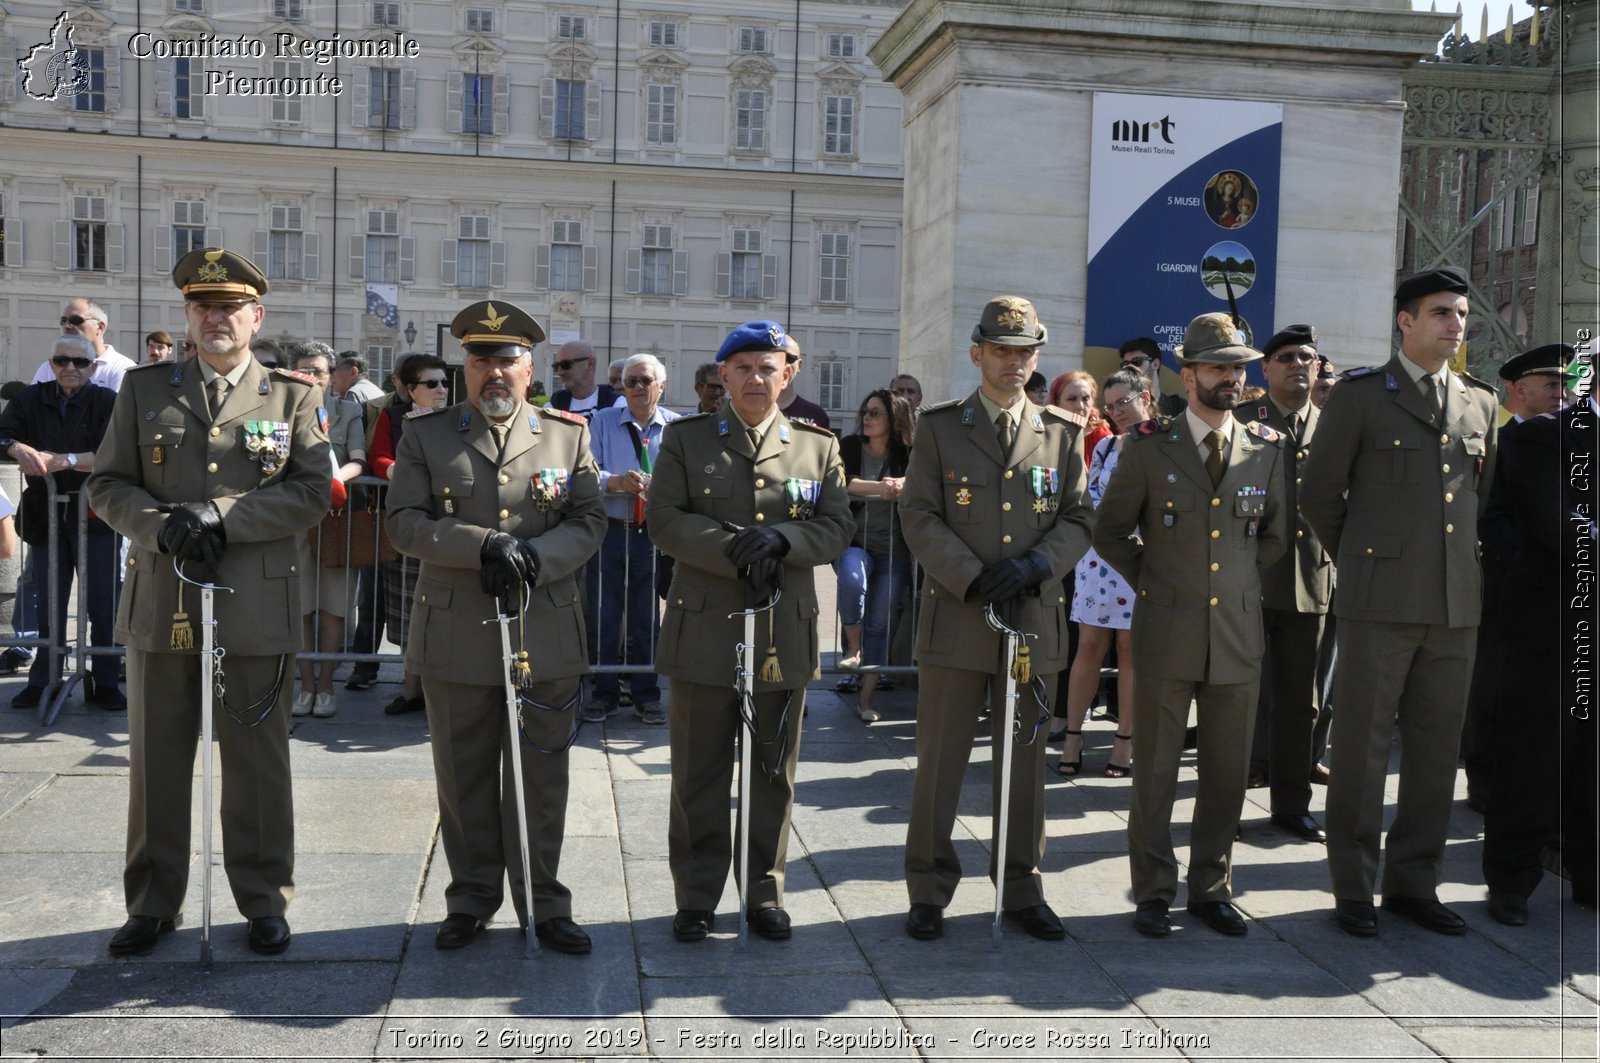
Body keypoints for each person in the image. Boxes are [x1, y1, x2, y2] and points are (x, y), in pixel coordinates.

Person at [86, 246, 330, 957]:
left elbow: (312, 491)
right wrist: (166, 527)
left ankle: (262, 898)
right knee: (156, 760)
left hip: (256, 603)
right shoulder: (144, 390)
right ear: (187, 317)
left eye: (230, 307)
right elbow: (107, 484)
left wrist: (221, 515)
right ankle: (153, 901)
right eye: (203, 307)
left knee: (258, 761)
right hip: (166, 600)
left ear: (258, 315)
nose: (216, 318)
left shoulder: (293, 395)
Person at [387, 299, 605, 955]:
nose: (494, 373)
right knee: (465, 775)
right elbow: (402, 522)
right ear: (465, 365)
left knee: (542, 776)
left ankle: (546, 900)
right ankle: (473, 896)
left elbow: (589, 520)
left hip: (545, 632)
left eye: (506, 359)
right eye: (481, 360)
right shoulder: (426, 435)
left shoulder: (567, 433)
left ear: (530, 366)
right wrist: (481, 543)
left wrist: (537, 557)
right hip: (457, 632)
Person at [1299, 266, 1499, 938]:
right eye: (1441, 312)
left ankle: (1415, 881)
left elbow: (1481, 502)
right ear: (1405, 321)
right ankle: (1354, 885)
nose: (1455, 325)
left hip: (1453, 607)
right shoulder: (1359, 396)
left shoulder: (1478, 401)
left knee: (1438, 751)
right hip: (1379, 602)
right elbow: (1319, 494)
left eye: (1462, 315)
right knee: (1360, 748)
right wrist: (1366, 559)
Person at [647, 319, 852, 943]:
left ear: (788, 374)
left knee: (773, 769)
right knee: (699, 770)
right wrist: (738, 548)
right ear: (722, 378)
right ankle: (698, 895)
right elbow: (664, 520)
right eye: (743, 368)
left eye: (769, 368)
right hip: (704, 624)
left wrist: (784, 539)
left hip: (780, 630)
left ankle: (764, 891)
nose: (756, 379)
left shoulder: (818, 447)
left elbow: (836, 527)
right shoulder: (685, 441)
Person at [898, 295, 1094, 943]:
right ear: (977, 352)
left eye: (1026, 350)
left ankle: (1022, 886)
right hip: (958, 619)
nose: (1014, 361)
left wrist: (1037, 566)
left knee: (1026, 766)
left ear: (1038, 356)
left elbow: (1079, 517)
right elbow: (919, 514)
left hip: (1031, 620)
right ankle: (928, 887)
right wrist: (971, 575)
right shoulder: (940, 427)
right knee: (940, 763)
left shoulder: (1062, 432)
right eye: (1002, 349)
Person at [1093, 312, 1287, 939]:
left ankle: (1211, 886)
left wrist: (1230, 586)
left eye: (1238, 366)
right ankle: (1152, 889)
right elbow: (1112, 531)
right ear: (1189, 372)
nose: (1231, 377)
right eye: (1218, 367)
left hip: (1236, 631)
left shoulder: (1265, 449)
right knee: (1154, 768)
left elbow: (1276, 537)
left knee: (1227, 769)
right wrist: (1158, 580)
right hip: (1166, 627)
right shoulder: (1151, 446)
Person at [1481, 395, 1597, 921]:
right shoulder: (1542, 436)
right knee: (1532, 754)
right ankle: (1511, 878)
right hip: (1549, 623)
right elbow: (1555, 523)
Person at [1464, 343, 1573, 810]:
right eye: (1550, 385)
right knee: (1494, 683)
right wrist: (1522, 559)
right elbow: (1487, 516)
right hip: (1506, 582)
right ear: (1518, 388)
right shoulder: (1498, 442)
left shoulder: (1569, 440)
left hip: (1555, 585)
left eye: (1564, 385)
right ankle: (1483, 777)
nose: (1559, 394)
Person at [1236, 324, 1334, 843]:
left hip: (1310, 581)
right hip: (1246, 580)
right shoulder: (1240, 421)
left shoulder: (1336, 424)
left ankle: (1292, 805)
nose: (1300, 364)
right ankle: (1224, 803)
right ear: (1266, 368)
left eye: (1308, 357)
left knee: (1302, 700)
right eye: (1287, 357)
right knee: (1236, 696)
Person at [0, 333, 123, 710]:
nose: (70, 368)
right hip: (45, 515)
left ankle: (105, 682)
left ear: (92, 367)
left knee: (103, 604)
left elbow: (122, 451)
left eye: (80, 362)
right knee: (48, 603)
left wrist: (69, 459)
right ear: (51, 363)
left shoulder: (108, 401)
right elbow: (1, 434)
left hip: (98, 517)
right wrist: (16, 448)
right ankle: (43, 678)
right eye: (62, 361)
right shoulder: (29, 399)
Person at [1054, 366, 1150, 779]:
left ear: (1146, 396)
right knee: (1088, 646)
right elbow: (1089, 503)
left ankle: (1124, 742)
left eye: (1124, 402)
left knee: (1131, 651)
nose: (1116, 413)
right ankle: (1073, 736)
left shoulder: (1165, 444)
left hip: (1142, 559)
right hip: (1097, 560)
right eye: (1110, 407)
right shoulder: (1107, 448)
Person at [582, 352, 679, 725]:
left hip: (651, 535)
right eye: (630, 381)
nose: (638, 387)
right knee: (605, 616)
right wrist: (615, 482)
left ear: (662, 386)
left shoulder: (675, 427)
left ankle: (647, 695)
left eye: (645, 381)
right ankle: (604, 695)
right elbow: (586, 471)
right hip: (610, 530)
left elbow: (683, 480)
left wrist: (663, 489)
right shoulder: (602, 422)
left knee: (646, 618)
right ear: (620, 386)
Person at [366, 354, 451, 716]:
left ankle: (443, 694)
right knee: (408, 611)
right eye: (431, 384)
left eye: (444, 382)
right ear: (411, 389)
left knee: (446, 612)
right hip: (408, 524)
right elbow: (378, 458)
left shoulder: (458, 419)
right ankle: (411, 690)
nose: (441, 390)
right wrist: (404, 472)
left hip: (448, 528)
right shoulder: (394, 417)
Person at [290, 343, 367, 719]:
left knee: (334, 608)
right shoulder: (280, 408)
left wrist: (335, 480)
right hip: (293, 523)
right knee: (301, 606)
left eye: (318, 371)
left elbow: (358, 460)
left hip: (336, 518)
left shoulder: (349, 411)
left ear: (332, 375)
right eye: (304, 370)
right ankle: (304, 686)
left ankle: (325, 686)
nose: (311, 377)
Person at [834, 388, 914, 723]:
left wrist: (902, 483)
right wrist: (881, 488)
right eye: (866, 411)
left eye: (875, 413)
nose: (866, 417)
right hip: (855, 541)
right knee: (851, 580)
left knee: (881, 623)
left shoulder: (908, 452)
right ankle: (854, 647)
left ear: (893, 420)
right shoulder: (851, 446)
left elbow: (923, 481)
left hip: (894, 550)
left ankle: (867, 699)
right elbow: (842, 482)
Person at [32, 299, 135, 391]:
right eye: (63, 321)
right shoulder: (50, 367)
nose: (67, 326)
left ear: (100, 327)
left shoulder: (122, 368)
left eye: (75, 320)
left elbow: (117, 410)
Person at [1049, 371, 1111, 470]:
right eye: (1072, 399)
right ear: (1057, 403)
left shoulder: (1102, 438)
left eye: (1086, 398)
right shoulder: (1045, 433)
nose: (1080, 406)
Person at [548, 340, 618, 421]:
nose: (560, 372)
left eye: (565, 364)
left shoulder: (615, 403)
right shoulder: (555, 403)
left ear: (590, 364)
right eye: (556, 366)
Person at [775, 335, 832, 431]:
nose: (783, 364)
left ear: (799, 365)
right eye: (777, 357)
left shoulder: (816, 414)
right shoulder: (750, 411)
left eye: (788, 357)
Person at [1119, 337, 1186, 418]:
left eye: (1137, 362)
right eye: (1125, 364)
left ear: (1155, 364)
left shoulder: (1178, 406)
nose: (1131, 368)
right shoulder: (1119, 407)